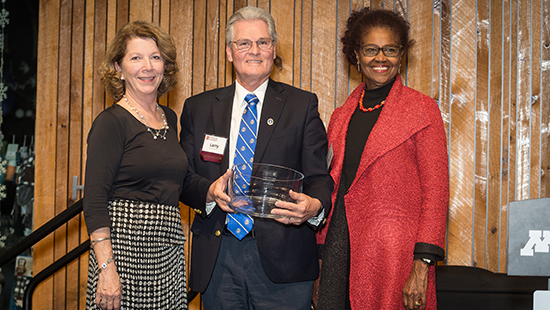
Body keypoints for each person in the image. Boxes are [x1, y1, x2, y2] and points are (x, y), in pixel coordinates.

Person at [179, 6, 333, 310]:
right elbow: (182, 179)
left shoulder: (301, 106)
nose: (254, 51)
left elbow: (318, 177)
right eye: (244, 43)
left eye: (263, 42)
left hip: (284, 259)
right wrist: (208, 192)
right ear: (229, 52)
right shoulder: (198, 108)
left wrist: (314, 207)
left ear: (273, 50)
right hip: (218, 256)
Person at [315, 7, 449, 310]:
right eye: (371, 49)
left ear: (401, 54)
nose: (380, 58)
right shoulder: (340, 117)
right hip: (339, 249)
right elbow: (334, 189)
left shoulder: (422, 109)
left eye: (390, 49)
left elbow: (436, 191)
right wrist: (320, 260)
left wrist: (422, 263)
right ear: (356, 54)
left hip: (395, 256)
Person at [83, 21, 188, 310]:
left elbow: (177, 182)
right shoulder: (111, 123)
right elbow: (94, 200)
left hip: (166, 252)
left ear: (165, 65)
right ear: (118, 67)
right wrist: (106, 268)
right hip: (124, 253)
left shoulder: (169, 118)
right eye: (136, 58)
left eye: (155, 57)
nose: (148, 66)